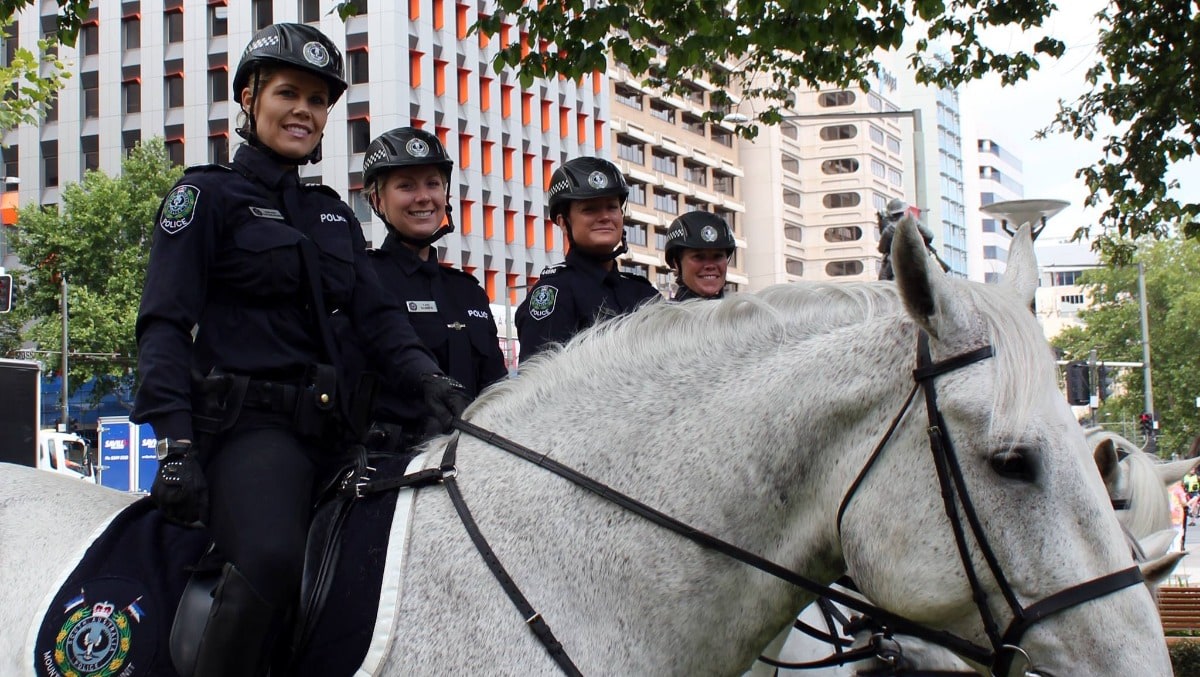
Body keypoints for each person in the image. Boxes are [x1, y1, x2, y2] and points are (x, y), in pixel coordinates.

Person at [131, 24, 469, 676]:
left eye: (317, 101)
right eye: (288, 93)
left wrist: (433, 381)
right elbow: (164, 326)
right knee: (272, 559)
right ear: (249, 99)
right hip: (248, 431)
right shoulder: (206, 196)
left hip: (336, 432)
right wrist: (174, 443)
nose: (304, 112)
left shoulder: (331, 214)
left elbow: (379, 319)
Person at [357, 126, 507, 450]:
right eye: (406, 186)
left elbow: (497, 389)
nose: (424, 197)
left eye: (433, 184)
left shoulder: (468, 291)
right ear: (377, 200)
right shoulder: (364, 279)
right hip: (392, 462)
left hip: (474, 460)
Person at [514, 157, 659, 362]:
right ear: (563, 223)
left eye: (612, 207)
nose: (605, 217)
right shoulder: (555, 294)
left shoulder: (646, 295)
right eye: (590, 209)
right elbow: (540, 380)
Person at [663, 211, 737, 301]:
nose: (710, 266)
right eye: (699, 257)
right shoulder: (657, 311)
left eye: (717, 256)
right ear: (676, 263)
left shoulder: (744, 309)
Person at [876, 198, 940, 280]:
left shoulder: (889, 230)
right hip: (917, 258)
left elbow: (882, 249)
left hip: (895, 264)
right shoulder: (913, 222)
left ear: (891, 214)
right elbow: (930, 235)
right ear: (903, 211)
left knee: (882, 280)